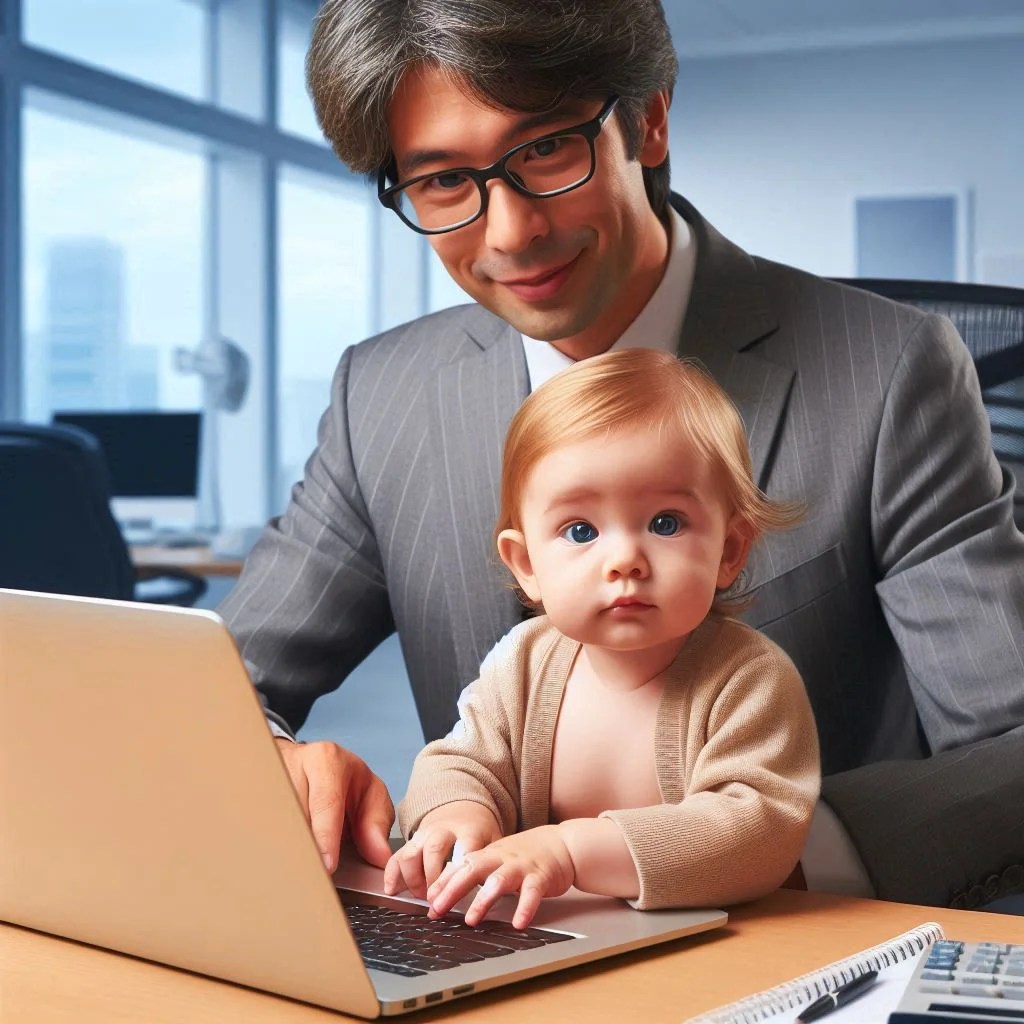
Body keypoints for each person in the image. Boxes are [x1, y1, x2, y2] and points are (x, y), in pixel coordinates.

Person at [219, 0, 1024, 909]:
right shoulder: (383, 393)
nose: (511, 233)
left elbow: (1013, 745)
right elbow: (219, 680)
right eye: (443, 182)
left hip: (789, 945)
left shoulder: (889, 371)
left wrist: (777, 851)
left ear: (648, 118)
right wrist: (276, 762)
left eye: (546, 151)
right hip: (479, 938)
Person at [382, 349, 820, 928]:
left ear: (729, 551)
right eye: (581, 530)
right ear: (526, 564)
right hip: (552, 936)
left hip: (725, 947)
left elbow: (755, 830)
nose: (625, 560)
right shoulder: (523, 662)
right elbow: (460, 759)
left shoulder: (748, 678)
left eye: (666, 522)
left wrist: (569, 851)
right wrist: (456, 812)